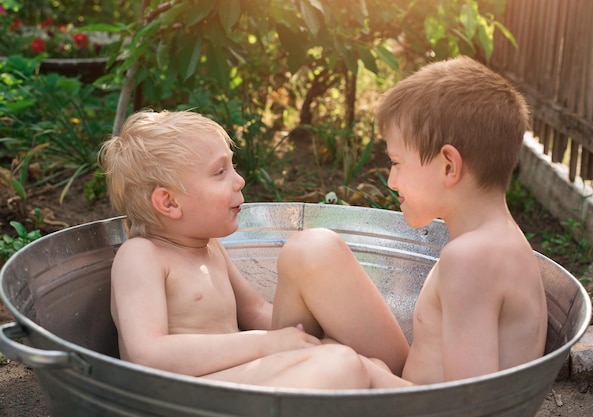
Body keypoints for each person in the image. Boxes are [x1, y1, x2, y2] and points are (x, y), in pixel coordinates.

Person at [273, 55, 548, 385]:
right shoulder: (491, 241)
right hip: (411, 387)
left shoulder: (472, 259)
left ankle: (254, 387)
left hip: (421, 406)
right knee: (309, 251)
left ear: (449, 166)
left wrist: (361, 369)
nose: (391, 180)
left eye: (397, 162)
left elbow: (470, 404)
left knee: (328, 361)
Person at [99, 109, 408, 389]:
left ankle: (428, 400)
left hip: (237, 377)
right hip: (191, 394)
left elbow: (256, 312)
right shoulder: (141, 256)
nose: (239, 180)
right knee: (342, 364)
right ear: (169, 202)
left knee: (364, 363)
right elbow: (147, 355)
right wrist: (265, 345)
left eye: (233, 167)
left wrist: (306, 340)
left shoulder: (210, 248)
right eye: (220, 172)